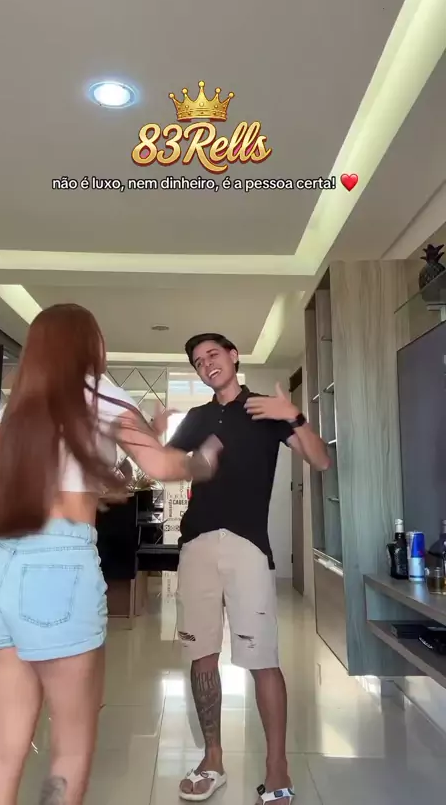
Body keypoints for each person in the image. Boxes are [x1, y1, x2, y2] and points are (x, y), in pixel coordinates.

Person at [0, 305, 221, 805]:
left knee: (3, 750)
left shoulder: (21, 402)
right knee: (70, 748)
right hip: (56, 570)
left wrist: (40, 468)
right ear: (90, 345)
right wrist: (204, 460)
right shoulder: (103, 394)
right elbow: (161, 466)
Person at [167, 333, 330, 804]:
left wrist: (293, 415)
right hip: (196, 543)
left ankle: (277, 768)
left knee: (262, 658)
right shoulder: (196, 418)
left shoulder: (265, 409)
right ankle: (212, 759)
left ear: (234, 356)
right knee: (201, 654)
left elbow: (321, 459)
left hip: (248, 545)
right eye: (198, 361)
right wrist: (192, 460)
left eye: (213, 355)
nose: (206, 364)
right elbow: (170, 467)